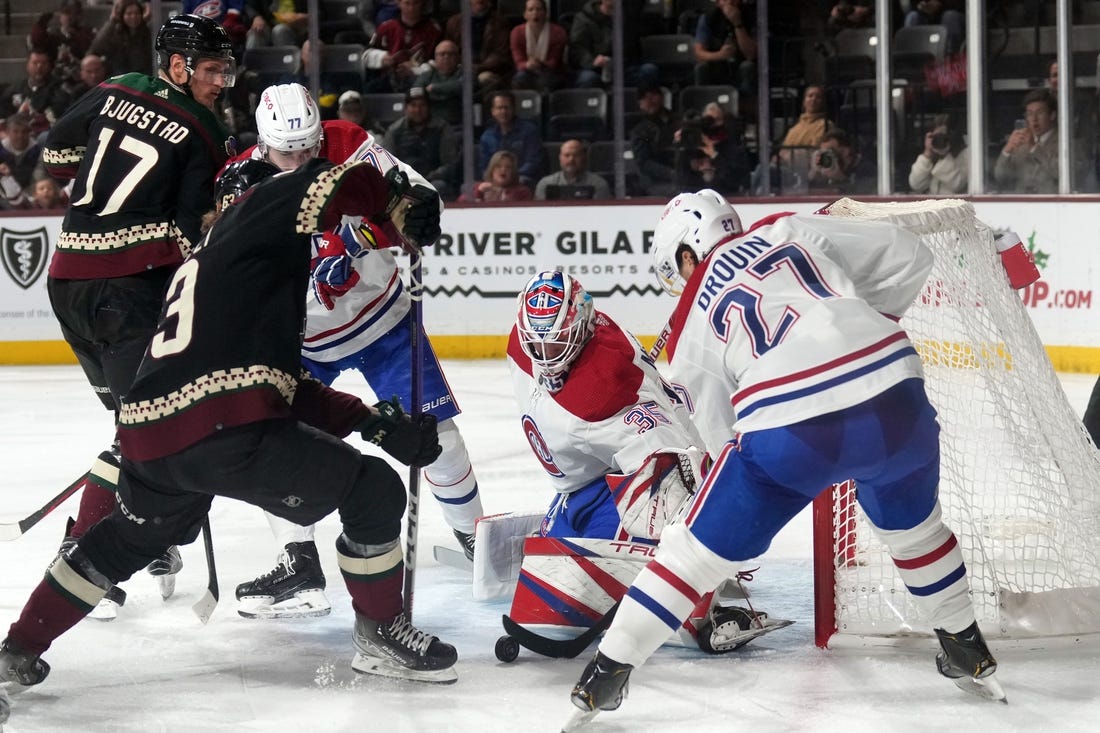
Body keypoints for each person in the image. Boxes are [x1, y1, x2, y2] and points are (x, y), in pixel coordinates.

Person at [0, 154, 458, 728]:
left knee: (120, 545)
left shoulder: (218, 267)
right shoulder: (257, 212)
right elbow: (327, 182)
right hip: (222, 431)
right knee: (374, 490)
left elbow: (280, 384)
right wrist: (395, 201)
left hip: (150, 439)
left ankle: (17, 649)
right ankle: (380, 634)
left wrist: (371, 421)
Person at [564, 191, 1004, 727]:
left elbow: (720, 433)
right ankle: (966, 647)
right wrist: (857, 321)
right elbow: (908, 254)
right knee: (916, 531)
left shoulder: (688, 327)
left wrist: (735, 515)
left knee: (691, 555)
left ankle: (605, 676)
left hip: (790, 425)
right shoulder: (785, 227)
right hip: (895, 387)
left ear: (685, 256)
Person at [229, 83, 484, 619]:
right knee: (274, 442)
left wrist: (419, 208)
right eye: (287, 152)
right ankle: (299, 562)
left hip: (382, 319)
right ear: (262, 143)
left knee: (437, 434)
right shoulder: (242, 184)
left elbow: (407, 193)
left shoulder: (346, 141)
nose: (300, 160)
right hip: (300, 341)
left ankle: (474, 540)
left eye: (308, 148)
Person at [36, 13, 237, 619]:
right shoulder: (204, 128)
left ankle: (138, 527)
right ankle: (91, 549)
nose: (220, 81)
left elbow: (56, 156)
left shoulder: (117, 84)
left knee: (137, 424)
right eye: (209, 69)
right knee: (143, 430)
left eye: (224, 69)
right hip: (126, 293)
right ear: (177, 66)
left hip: (68, 280)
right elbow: (185, 232)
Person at [382, 85, 459, 201]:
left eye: (422, 105)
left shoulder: (441, 128)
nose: (418, 110)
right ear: (406, 108)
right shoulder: (395, 130)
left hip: (432, 181)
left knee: (440, 186)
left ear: (429, 107)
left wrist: (427, 178)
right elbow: (387, 163)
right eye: (413, 105)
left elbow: (450, 163)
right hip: (402, 182)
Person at [569, 0, 659, 90]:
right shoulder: (584, 19)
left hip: (623, 69)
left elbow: (632, 47)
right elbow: (577, 48)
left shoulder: (628, 18)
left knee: (649, 71)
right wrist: (592, 61)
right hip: (595, 70)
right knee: (587, 78)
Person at [363, 0, 441, 93]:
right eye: (407, 3)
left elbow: (439, 64)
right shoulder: (386, 27)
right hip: (389, 81)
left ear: (422, 4)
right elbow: (366, 55)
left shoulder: (433, 31)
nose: (411, 8)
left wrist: (415, 70)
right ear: (399, 4)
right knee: (372, 88)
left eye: (415, 3)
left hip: (421, 82)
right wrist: (382, 58)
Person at [674, 102, 751, 195]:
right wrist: (680, 146)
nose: (712, 125)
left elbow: (734, 181)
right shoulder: (690, 148)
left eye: (717, 120)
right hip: (695, 199)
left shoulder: (733, 148)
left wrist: (714, 155)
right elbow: (679, 183)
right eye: (708, 120)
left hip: (725, 198)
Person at [992, 88, 1058, 194]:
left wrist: (1034, 148)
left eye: (1040, 112)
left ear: (1052, 115)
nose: (1034, 119)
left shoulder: (1066, 143)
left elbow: (1060, 172)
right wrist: (1007, 150)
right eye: (1030, 114)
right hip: (1021, 206)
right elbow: (1001, 177)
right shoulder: (1021, 143)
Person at [442, 0, 512, 98]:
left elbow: (500, 54)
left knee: (485, 79)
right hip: (459, 69)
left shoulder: (499, 22)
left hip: (487, 70)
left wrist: (478, 67)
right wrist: (459, 66)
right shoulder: (454, 22)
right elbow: (448, 49)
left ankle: (484, 112)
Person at [477, 89, 543, 187]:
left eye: (507, 107)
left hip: (521, 178)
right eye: (499, 108)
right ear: (493, 111)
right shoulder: (487, 136)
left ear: (513, 109)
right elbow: (484, 166)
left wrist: (510, 177)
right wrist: (495, 178)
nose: (503, 111)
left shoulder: (529, 131)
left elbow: (532, 162)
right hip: (495, 181)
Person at [691, 0, 757, 96]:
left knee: (748, 67)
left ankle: (744, 105)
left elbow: (751, 55)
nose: (730, 2)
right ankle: (705, 103)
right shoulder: (708, 18)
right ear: (718, 3)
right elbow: (698, 53)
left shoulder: (750, 16)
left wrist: (737, 24)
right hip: (717, 66)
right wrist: (720, 55)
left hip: (740, 65)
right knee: (701, 68)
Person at [0, 48, 72, 132]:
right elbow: (3, 115)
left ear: (49, 66)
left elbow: (58, 114)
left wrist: (35, 115)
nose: (39, 66)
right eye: (35, 63)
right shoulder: (15, 89)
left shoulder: (58, 89)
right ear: (27, 65)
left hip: (45, 134)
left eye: (43, 63)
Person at [629, 81, 679, 198]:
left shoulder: (678, 120)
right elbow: (645, 163)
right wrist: (671, 174)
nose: (650, 100)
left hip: (681, 174)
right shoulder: (640, 130)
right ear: (640, 103)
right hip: (655, 182)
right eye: (645, 98)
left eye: (653, 95)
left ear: (661, 97)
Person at [509, 0, 569, 94]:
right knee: (520, 77)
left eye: (539, 9)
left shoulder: (558, 32)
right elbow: (518, 62)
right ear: (525, 14)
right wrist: (527, 65)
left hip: (551, 72)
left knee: (546, 81)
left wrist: (539, 63)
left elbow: (554, 62)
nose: (535, 13)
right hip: (526, 71)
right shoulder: (516, 33)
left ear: (545, 13)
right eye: (530, 10)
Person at [88, 0, 154, 76]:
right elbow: (95, 49)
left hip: (142, 76)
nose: (133, 17)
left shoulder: (146, 31)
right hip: (117, 76)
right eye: (129, 14)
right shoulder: (113, 31)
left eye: (137, 13)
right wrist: (112, 23)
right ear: (122, 15)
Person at [908, 112, 968, 194]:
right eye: (937, 136)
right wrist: (927, 155)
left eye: (944, 136)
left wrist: (944, 156)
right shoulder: (932, 156)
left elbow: (958, 184)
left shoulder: (968, 154)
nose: (941, 140)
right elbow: (916, 185)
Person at [534, 139, 610, 200]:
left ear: (584, 158)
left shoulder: (598, 184)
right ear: (560, 158)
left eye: (576, 155)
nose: (571, 160)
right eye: (567, 155)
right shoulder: (545, 184)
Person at [806, 127, 874, 195]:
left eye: (830, 152)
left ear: (845, 151)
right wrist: (815, 176)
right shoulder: (827, 171)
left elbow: (858, 199)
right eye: (823, 153)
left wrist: (840, 179)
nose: (826, 158)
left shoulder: (868, 172)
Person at [413, 39, 464, 127]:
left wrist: (434, 88)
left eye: (450, 54)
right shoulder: (427, 75)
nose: (446, 57)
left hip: (457, 125)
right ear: (435, 58)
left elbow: (462, 86)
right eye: (442, 54)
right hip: (430, 125)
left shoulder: (466, 72)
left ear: (458, 57)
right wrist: (451, 93)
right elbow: (416, 93)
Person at [460, 149, 532, 202]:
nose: (503, 170)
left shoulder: (522, 192)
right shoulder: (478, 188)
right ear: (491, 170)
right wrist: (479, 193)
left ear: (513, 172)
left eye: (508, 167)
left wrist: (504, 199)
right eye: (498, 166)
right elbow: (459, 206)